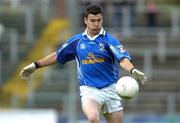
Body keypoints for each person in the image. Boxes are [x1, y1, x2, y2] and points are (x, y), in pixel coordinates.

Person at [20, 4, 147, 123]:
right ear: (85, 20)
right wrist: (35, 65)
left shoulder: (109, 40)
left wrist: (133, 70)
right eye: (93, 20)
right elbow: (57, 55)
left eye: (99, 20)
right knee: (93, 118)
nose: (96, 23)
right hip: (89, 90)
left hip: (111, 90)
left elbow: (123, 59)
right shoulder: (77, 41)